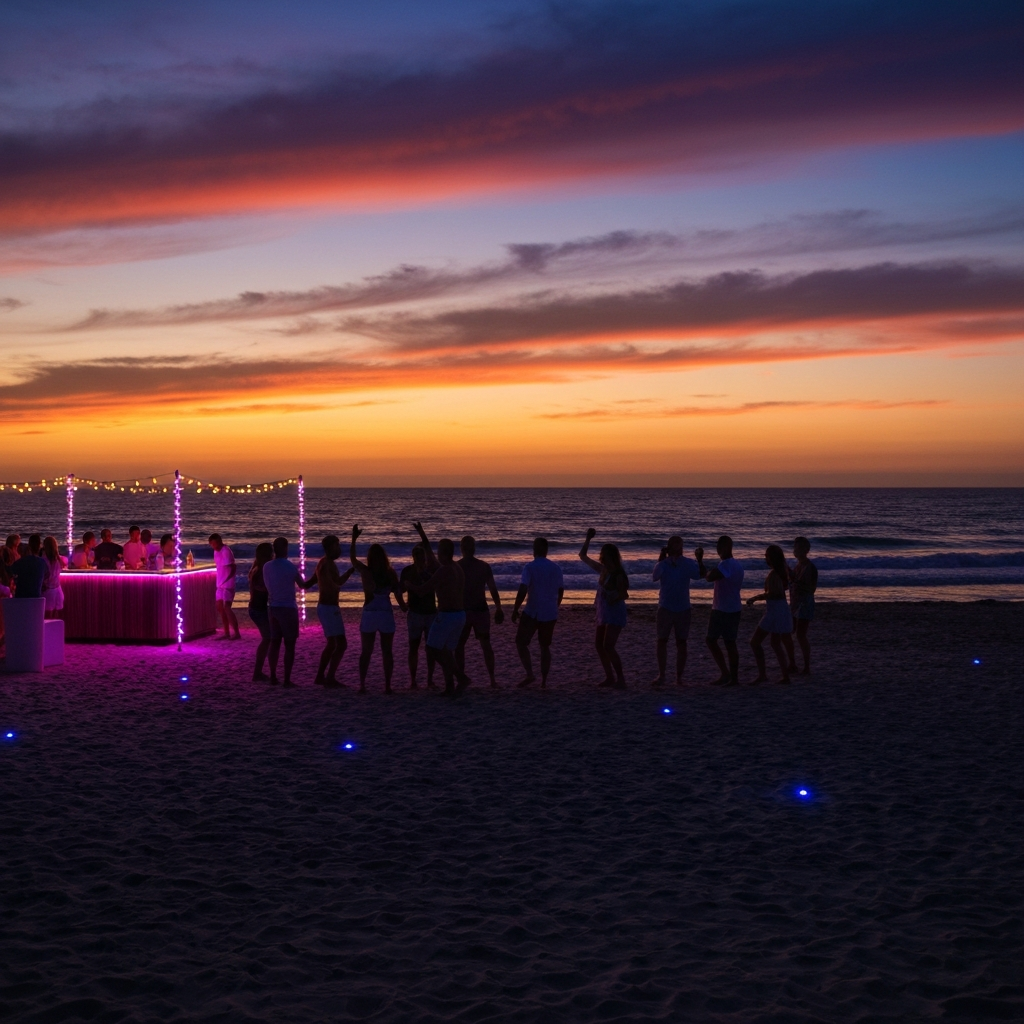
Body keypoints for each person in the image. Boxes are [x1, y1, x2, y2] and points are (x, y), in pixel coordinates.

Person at [405, 522, 471, 695]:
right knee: (446, 651)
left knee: (432, 649)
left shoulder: (444, 571)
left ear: (444, 553)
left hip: (447, 616)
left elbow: (422, 591)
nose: (434, 554)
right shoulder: (457, 567)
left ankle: (461, 677)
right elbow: (429, 554)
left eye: (439, 550)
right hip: (460, 615)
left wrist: (408, 585)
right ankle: (449, 686)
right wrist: (422, 533)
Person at [350, 525, 406, 693]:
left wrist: (353, 539)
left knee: (366, 651)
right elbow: (397, 593)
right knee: (387, 651)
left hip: (370, 613)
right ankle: (387, 686)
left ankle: (362, 685)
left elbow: (352, 559)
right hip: (385, 613)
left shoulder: (366, 572)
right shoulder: (390, 573)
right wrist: (403, 606)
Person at [261, 536, 315, 687]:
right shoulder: (290, 567)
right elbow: (303, 585)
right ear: (285, 548)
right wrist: (316, 578)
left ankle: (272, 676)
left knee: (275, 642)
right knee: (289, 645)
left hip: (273, 607)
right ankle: (286, 679)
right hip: (288, 608)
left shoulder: (267, 566)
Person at [511, 536, 564, 687]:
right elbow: (560, 591)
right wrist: (556, 606)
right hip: (549, 612)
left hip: (532, 610)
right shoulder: (556, 568)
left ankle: (530, 674)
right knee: (545, 646)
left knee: (521, 642)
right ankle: (544, 681)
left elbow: (523, 588)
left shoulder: (530, 567)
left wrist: (515, 608)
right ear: (546, 550)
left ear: (535, 550)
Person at [579, 529, 629, 689]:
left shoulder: (618, 574)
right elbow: (583, 556)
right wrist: (588, 539)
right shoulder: (604, 570)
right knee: (599, 645)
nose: (601, 557)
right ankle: (610, 677)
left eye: (604, 554)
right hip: (603, 611)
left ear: (611, 556)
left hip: (615, 612)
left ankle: (620, 678)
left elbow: (624, 595)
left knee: (608, 646)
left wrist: (612, 597)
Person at [651, 536, 704, 686]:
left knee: (681, 642)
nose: (677, 549)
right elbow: (655, 577)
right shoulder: (664, 564)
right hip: (666, 606)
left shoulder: (687, 563)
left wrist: (699, 560)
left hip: (682, 607)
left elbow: (698, 575)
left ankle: (678, 677)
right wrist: (661, 558)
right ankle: (662, 674)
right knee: (663, 640)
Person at [455, 535, 504, 688]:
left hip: (463, 611)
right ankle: (492, 679)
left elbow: (451, 590)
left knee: (459, 645)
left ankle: (461, 679)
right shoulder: (483, 566)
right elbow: (493, 589)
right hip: (480, 610)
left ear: (462, 549)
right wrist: (498, 607)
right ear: (474, 548)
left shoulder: (457, 567)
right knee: (485, 645)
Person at [746, 544, 797, 683]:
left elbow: (775, 594)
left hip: (775, 611)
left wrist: (755, 598)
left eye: (766, 555)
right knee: (775, 643)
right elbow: (791, 581)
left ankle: (763, 675)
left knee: (755, 642)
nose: (765, 558)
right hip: (780, 609)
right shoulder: (784, 570)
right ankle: (785, 676)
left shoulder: (775, 573)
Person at [312, 535, 355, 688]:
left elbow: (312, 582)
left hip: (326, 607)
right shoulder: (327, 564)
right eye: (337, 546)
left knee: (333, 643)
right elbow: (335, 584)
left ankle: (322, 676)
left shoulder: (323, 563)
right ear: (330, 547)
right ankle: (328, 677)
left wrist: (349, 572)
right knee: (340, 644)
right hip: (329, 607)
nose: (339, 549)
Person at [703, 535, 744, 685]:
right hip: (733, 607)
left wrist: (708, 569)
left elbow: (710, 577)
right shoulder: (736, 565)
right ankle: (732, 676)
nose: (718, 550)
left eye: (719, 547)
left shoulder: (725, 565)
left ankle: (727, 674)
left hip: (722, 608)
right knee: (729, 642)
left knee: (712, 640)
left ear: (726, 548)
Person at [399, 544, 438, 689]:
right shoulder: (408, 571)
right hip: (415, 612)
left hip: (430, 612)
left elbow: (433, 589)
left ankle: (429, 679)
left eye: (422, 557)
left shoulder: (431, 571)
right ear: (413, 558)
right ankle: (413, 680)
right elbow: (399, 589)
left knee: (430, 648)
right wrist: (402, 603)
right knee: (413, 647)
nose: (420, 560)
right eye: (417, 557)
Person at [790, 536, 818, 675]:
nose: (796, 550)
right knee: (791, 632)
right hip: (795, 604)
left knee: (801, 635)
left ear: (806, 550)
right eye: (795, 548)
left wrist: (795, 582)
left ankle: (806, 666)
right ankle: (793, 664)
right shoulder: (798, 566)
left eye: (799, 548)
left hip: (804, 604)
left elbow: (811, 589)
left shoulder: (809, 567)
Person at [247, 542, 274, 681]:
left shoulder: (256, 567)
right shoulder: (260, 570)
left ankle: (260, 671)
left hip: (256, 607)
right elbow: (261, 588)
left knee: (268, 638)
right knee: (267, 638)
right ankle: (257, 672)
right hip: (258, 609)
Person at [209, 533, 240, 640]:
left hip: (227, 584)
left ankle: (236, 633)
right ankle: (226, 632)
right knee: (220, 607)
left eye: (215, 543)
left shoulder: (226, 551)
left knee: (227, 607)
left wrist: (228, 579)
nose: (214, 546)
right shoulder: (215, 552)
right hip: (220, 583)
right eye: (212, 544)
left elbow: (233, 567)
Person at [9, 534, 47, 598]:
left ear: (29, 546)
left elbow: (10, 571)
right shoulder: (42, 562)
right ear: (39, 546)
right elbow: (47, 575)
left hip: (20, 599)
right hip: (36, 600)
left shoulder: (21, 562)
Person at [41, 536, 65, 618]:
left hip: (48, 589)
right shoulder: (58, 559)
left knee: (48, 616)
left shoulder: (43, 560)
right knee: (57, 614)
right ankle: (56, 630)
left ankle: (47, 630)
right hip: (58, 588)